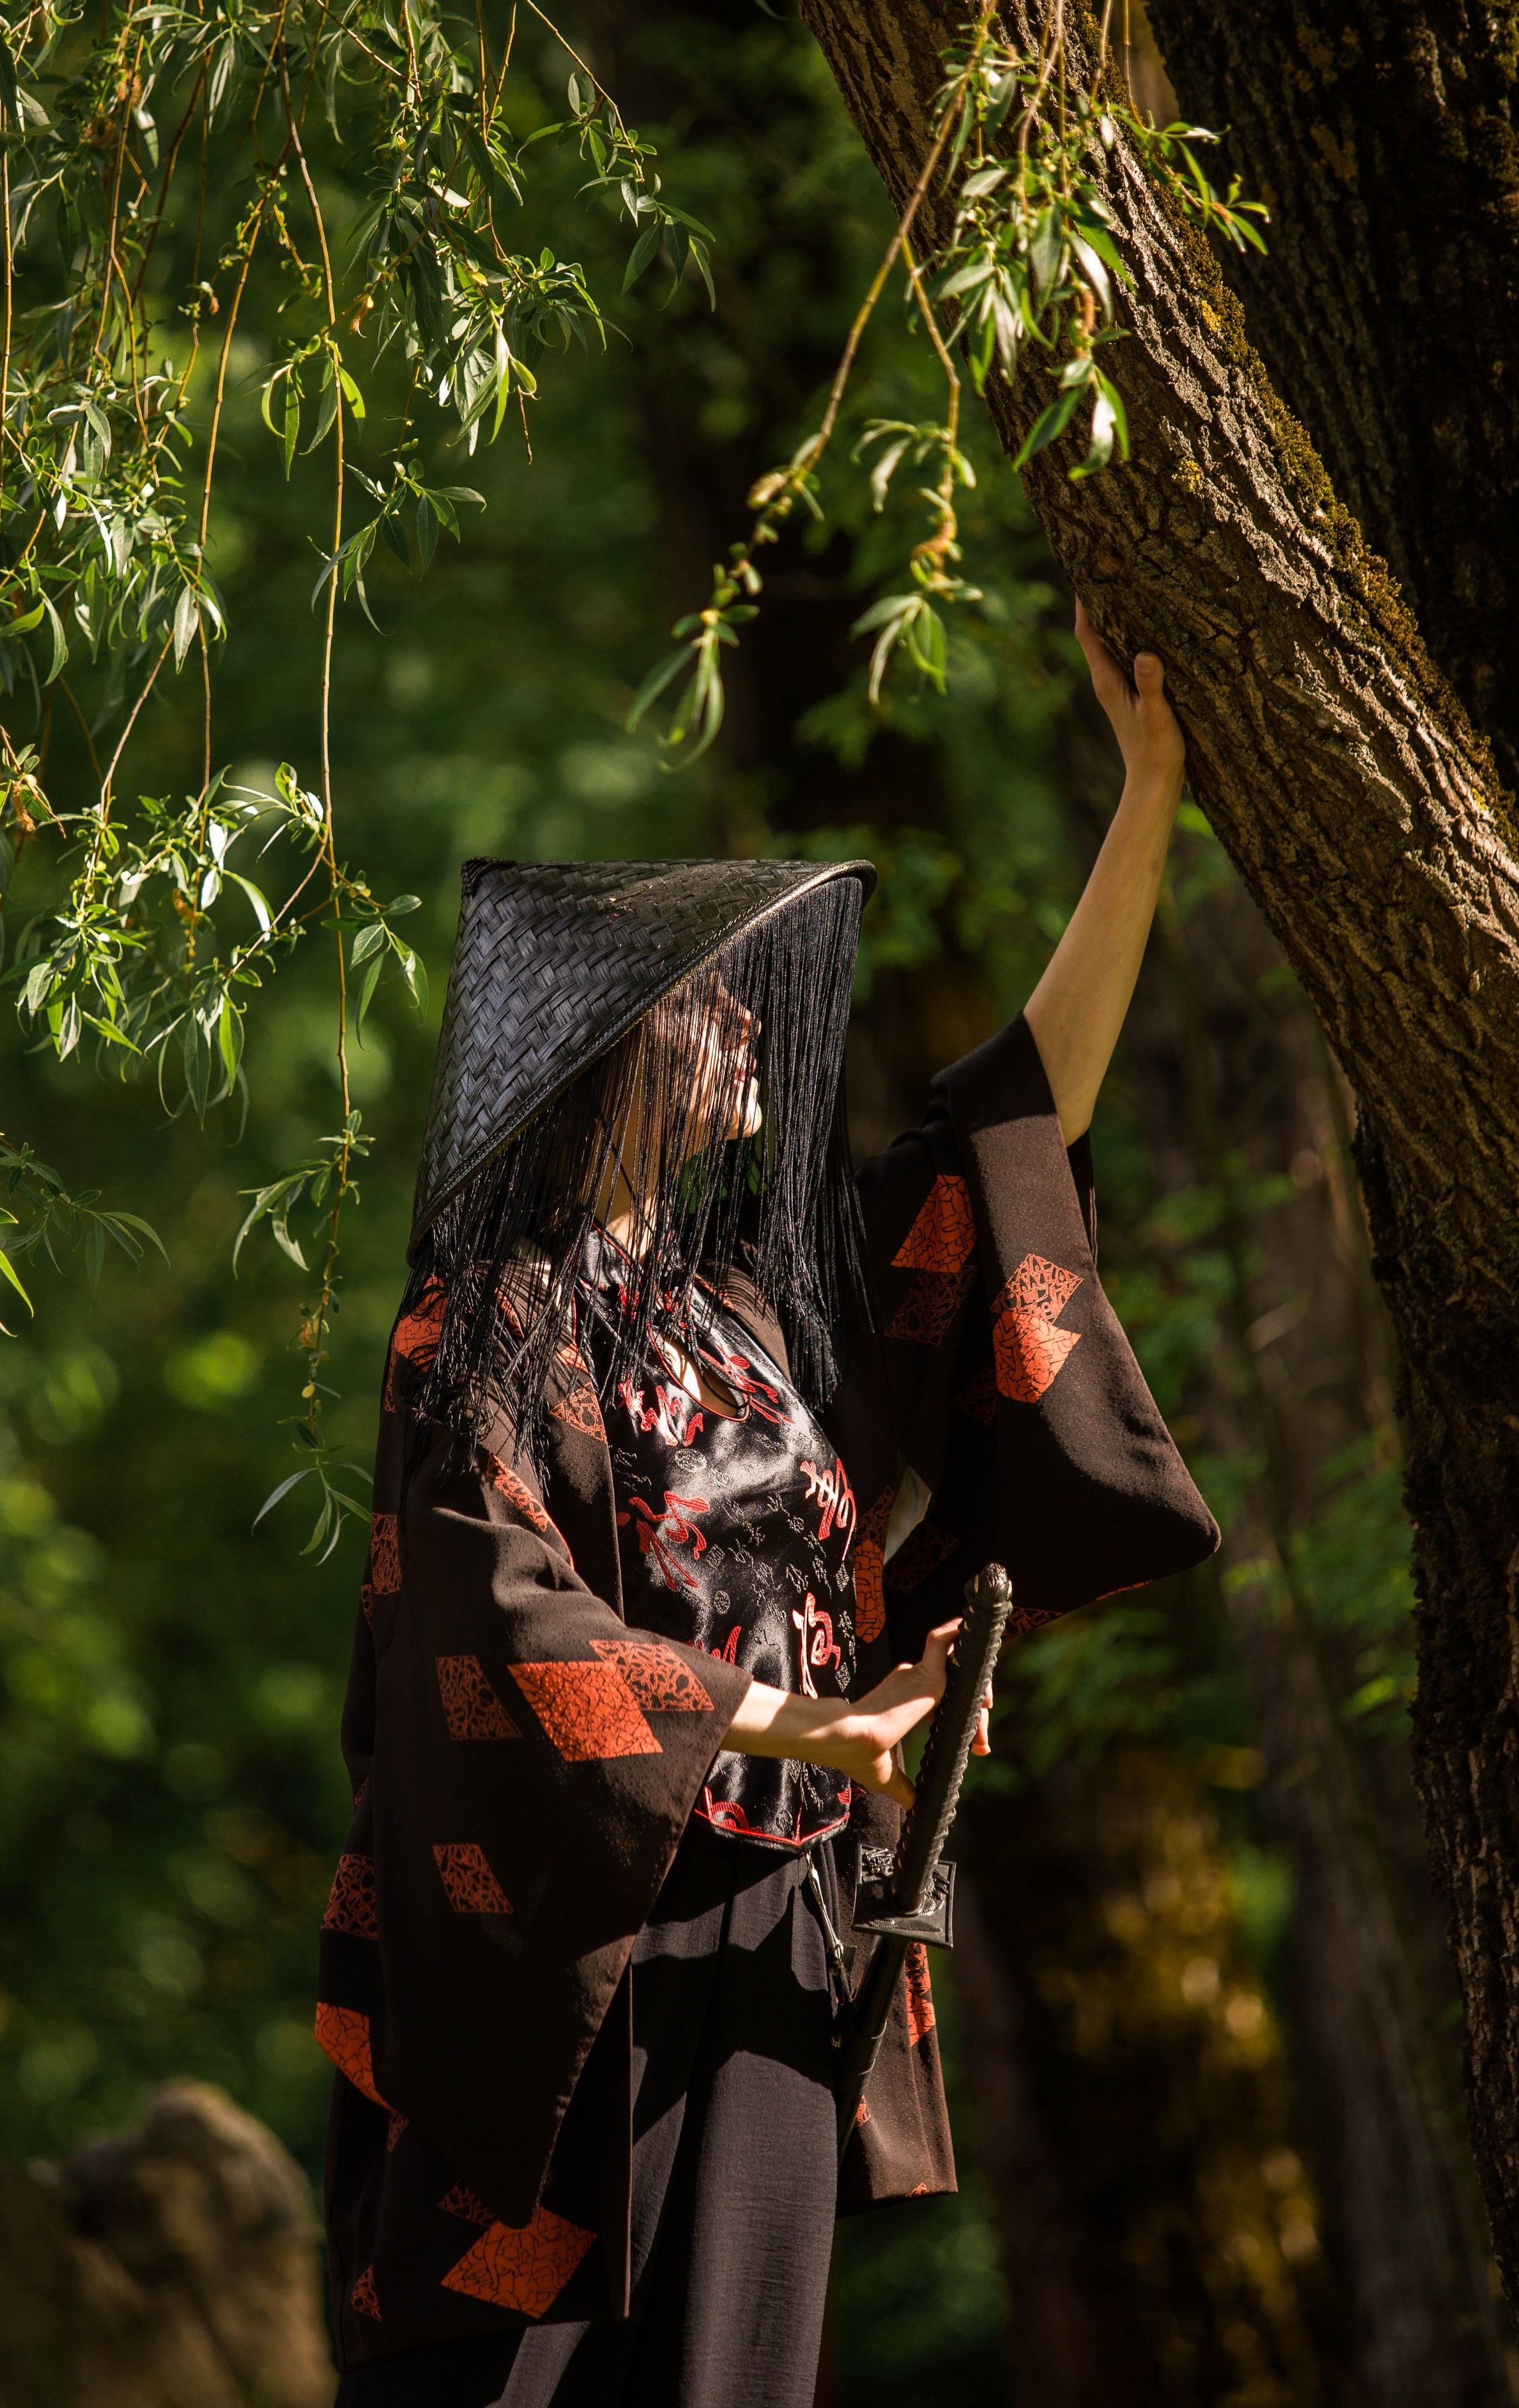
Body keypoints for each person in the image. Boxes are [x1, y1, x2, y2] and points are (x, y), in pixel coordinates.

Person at [316, 615, 1217, 2407]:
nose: (750, 1023)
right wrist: (814, 1723)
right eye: (706, 997)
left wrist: (1152, 799)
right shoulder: (485, 1323)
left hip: (781, 1931)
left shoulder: (761, 1311)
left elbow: (1012, 1131)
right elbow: (502, 1618)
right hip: (569, 1968)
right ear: (601, 1048)